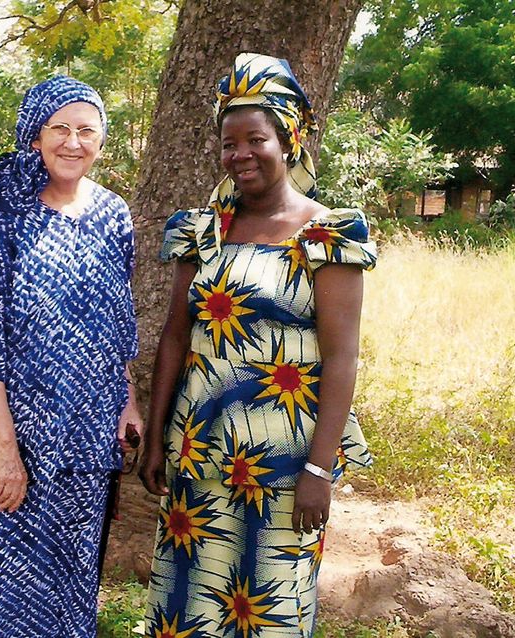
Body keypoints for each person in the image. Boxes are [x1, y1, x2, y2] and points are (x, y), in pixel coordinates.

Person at [139, 53, 378, 638]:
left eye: (256, 138)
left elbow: (342, 356)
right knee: (190, 602)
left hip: (286, 463)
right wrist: (156, 437)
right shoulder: (201, 230)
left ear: (289, 138)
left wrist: (320, 468)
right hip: (200, 449)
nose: (240, 154)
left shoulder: (328, 234)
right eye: (228, 143)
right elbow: (176, 336)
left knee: (270, 608)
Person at [0, 76, 143, 638]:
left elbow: (118, 323)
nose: (74, 142)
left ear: (101, 141)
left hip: (89, 436)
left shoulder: (113, 215)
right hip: (17, 438)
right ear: (35, 136)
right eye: (60, 129)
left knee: (74, 594)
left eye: (87, 130)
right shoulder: (6, 214)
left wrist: (129, 402)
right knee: (13, 600)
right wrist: (6, 451)